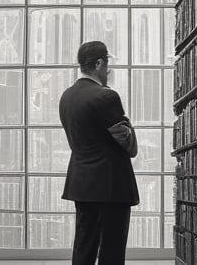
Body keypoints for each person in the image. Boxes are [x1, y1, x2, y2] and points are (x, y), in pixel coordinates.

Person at [59, 41, 139, 265]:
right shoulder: (107, 96)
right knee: (111, 251)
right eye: (107, 64)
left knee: (84, 246)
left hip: (82, 184)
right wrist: (128, 124)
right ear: (99, 63)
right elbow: (129, 146)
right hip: (111, 187)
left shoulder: (66, 96)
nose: (109, 70)